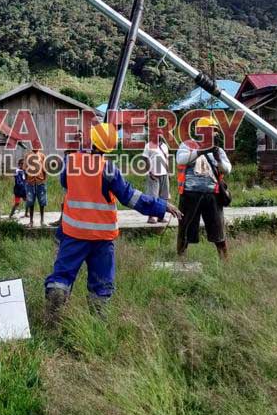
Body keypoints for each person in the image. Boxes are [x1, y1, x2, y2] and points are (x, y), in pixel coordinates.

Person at [44, 123, 179, 318]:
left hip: (74, 234)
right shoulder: (109, 170)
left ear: (91, 141)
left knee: (62, 276)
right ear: (110, 147)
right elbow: (130, 197)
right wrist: (161, 205)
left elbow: (65, 182)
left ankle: (55, 308)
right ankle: (98, 321)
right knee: (101, 282)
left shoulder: (70, 161)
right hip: (102, 237)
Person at [175, 116, 233, 261]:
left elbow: (227, 169)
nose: (213, 134)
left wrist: (218, 159)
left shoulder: (218, 150)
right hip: (190, 195)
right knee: (186, 229)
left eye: (215, 131)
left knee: (218, 230)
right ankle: (181, 258)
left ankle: (224, 260)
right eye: (211, 130)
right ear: (200, 131)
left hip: (213, 195)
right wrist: (200, 151)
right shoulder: (187, 145)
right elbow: (180, 160)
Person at [143, 137, 171, 223]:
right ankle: (151, 217)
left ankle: (160, 216)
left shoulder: (165, 146)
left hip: (164, 174)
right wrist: (150, 172)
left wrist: (168, 172)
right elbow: (145, 159)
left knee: (164, 197)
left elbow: (166, 160)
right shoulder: (148, 145)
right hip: (153, 174)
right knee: (152, 196)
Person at [24, 146, 48, 227]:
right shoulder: (27, 155)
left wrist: (44, 180)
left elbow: (45, 170)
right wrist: (27, 180)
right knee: (30, 202)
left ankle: (42, 220)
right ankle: (31, 221)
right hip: (30, 183)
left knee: (42, 202)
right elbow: (25, 169)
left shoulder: (42, 156)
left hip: (40, 182)